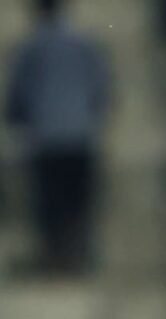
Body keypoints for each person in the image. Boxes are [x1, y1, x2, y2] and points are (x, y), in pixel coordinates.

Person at [5, 0, 110, 275]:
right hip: (80, 136)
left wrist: (22, 119)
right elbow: (100, 87)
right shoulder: (83, 43)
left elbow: (16, 96)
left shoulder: (29, 48)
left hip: (46, 139)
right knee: (77, 202)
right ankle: (76, 256)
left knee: (50, 204)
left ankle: (55, 258)